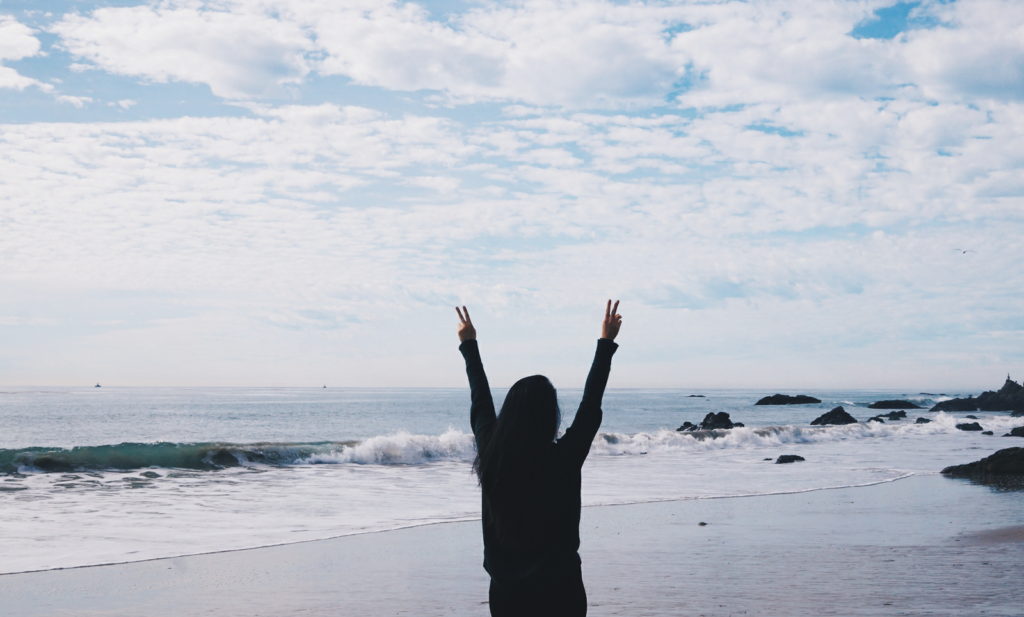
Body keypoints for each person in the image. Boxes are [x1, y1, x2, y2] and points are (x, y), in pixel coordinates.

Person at [456, 300, 622, 617]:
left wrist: (469, 344)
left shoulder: (492, 456)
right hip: (562, 589)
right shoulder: (564, 458)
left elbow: (480, 400)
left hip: (506, 593)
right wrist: (606, 343)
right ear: (550, 416)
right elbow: (590, 406)